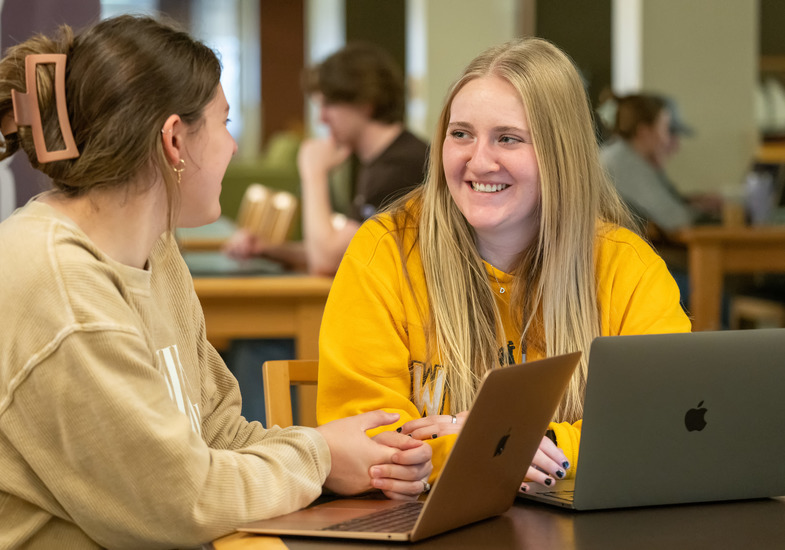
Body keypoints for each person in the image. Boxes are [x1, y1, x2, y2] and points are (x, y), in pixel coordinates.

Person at [0, 16, 432, 548]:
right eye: (224, 124)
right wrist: (321, 457)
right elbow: (181, 502)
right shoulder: (64, 292)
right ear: (174, 140)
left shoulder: (156, 248)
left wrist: (354, 456)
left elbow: (218, 433)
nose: (232, 147)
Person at [316, 38, 691, 491]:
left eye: (508, 138)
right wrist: (486, 447)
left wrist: (533, 443)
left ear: (561, 152)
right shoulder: (384, 250)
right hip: (420, 520)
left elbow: (664, 422)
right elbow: (361, 440)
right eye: (461, 134)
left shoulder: (625, 264)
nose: (478, 161)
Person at [224, 42, 429, 276]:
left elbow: (326, 262)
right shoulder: (391, 158)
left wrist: (314, 173)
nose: (321, 118)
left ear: (365, 103)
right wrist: (268, 250)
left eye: (328, 104)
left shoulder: (399, 168)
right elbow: (344, 250)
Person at [600, 93, 721, 235]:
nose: (667, 140)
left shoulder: (623, 155)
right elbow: (675, 219)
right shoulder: (622, 161)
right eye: (665, 129)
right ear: (644, 132)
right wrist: (706, 211)